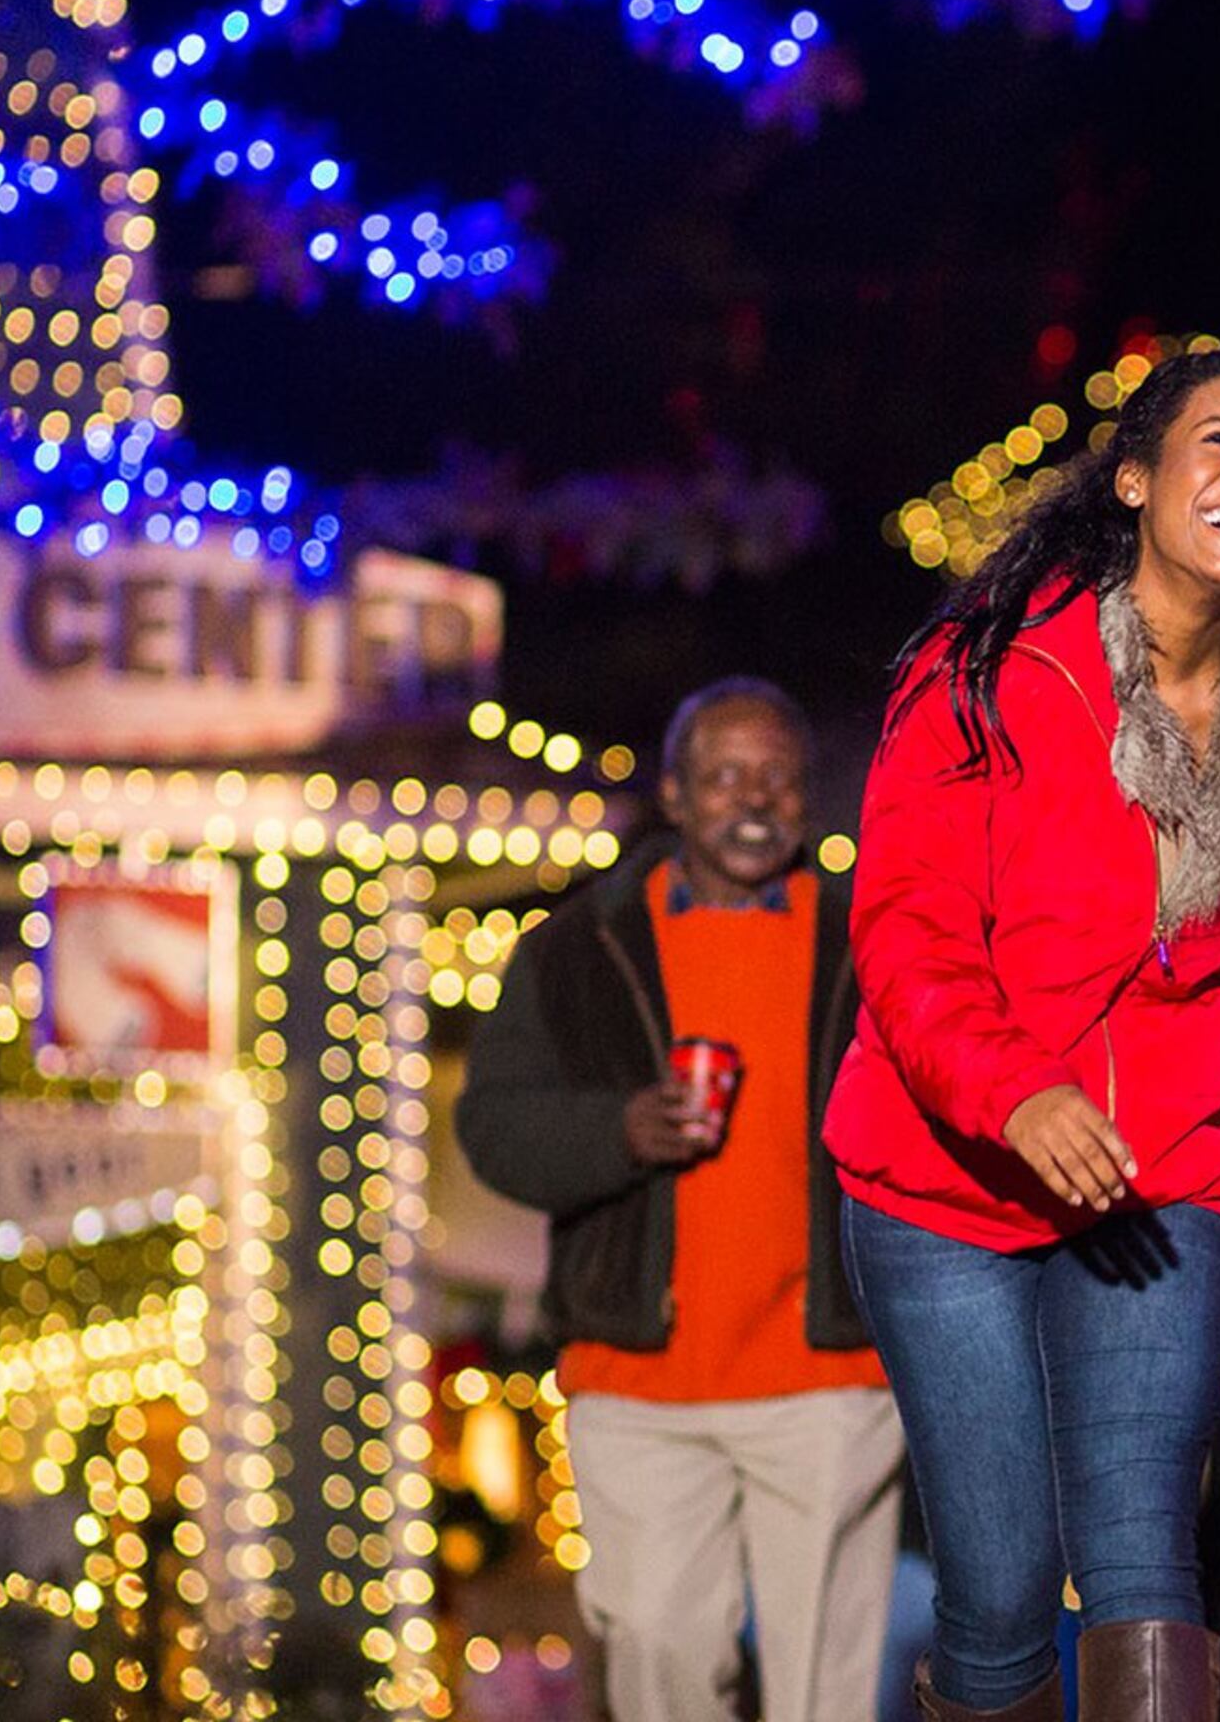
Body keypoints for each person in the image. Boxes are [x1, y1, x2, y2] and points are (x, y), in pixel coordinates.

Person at [824, 343, 1220, 1722]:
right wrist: (1013, 1090)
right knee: (1002, 1584)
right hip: (944, 1181)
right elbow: (909, 923)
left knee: (1141, 1563)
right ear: (1134, 479)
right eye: (1219, 442)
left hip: (1164, 1184)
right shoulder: (988, 671)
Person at [457, 678, 899, 1722]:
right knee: (657, 1646)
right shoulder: (578, 947)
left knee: (822, 1690)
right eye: (724, 776)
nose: (753, 799)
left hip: (830, 1367)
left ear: (805, 795)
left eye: (777, 777)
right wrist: (617, 1131)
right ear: (674, 793)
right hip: (639, 1373)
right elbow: (494, 1125)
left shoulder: (871, 940)